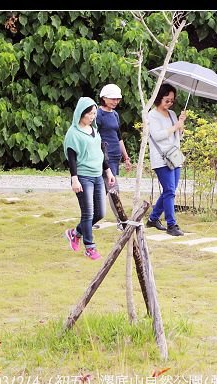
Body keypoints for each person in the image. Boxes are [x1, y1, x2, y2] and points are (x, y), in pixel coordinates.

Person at [63, 97, 116, 260]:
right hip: (83, 177)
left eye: (94, 114)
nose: (93, 117)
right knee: (87, 213)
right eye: (90, 114)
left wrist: (108, 171)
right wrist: (74, 179)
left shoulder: (94, 130)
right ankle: (90, 247)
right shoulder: (73, 133)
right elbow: (71, 158)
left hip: (97, 176)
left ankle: (75, 232)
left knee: (100, 212)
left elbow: (100, 153)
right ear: (81, 114)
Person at [145, 83, 186, 236]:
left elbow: (178, 136)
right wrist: (176, 127)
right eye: (167, 100)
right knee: (169, 190)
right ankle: (171, 224)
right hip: (161, 157)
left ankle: (153, 218)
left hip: (174, 156)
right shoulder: (151, 115)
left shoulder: (172, 114)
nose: (169, 103)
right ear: (159, 98)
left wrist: (181, 124)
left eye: (172, 101)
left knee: (170, 190)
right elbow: (157, 135)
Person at [96, 83, 132, 224]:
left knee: (104, 189)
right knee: (113, 188)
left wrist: (126, 157)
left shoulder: (115, 114)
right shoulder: (98, 114)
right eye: (113, 99)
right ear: (104, 98)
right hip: (105, 156)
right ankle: (121, 221)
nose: (115, 102)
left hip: (115, 156)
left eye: (117, 99)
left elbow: (119, 137)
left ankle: (92, 217)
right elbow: (94, 137)